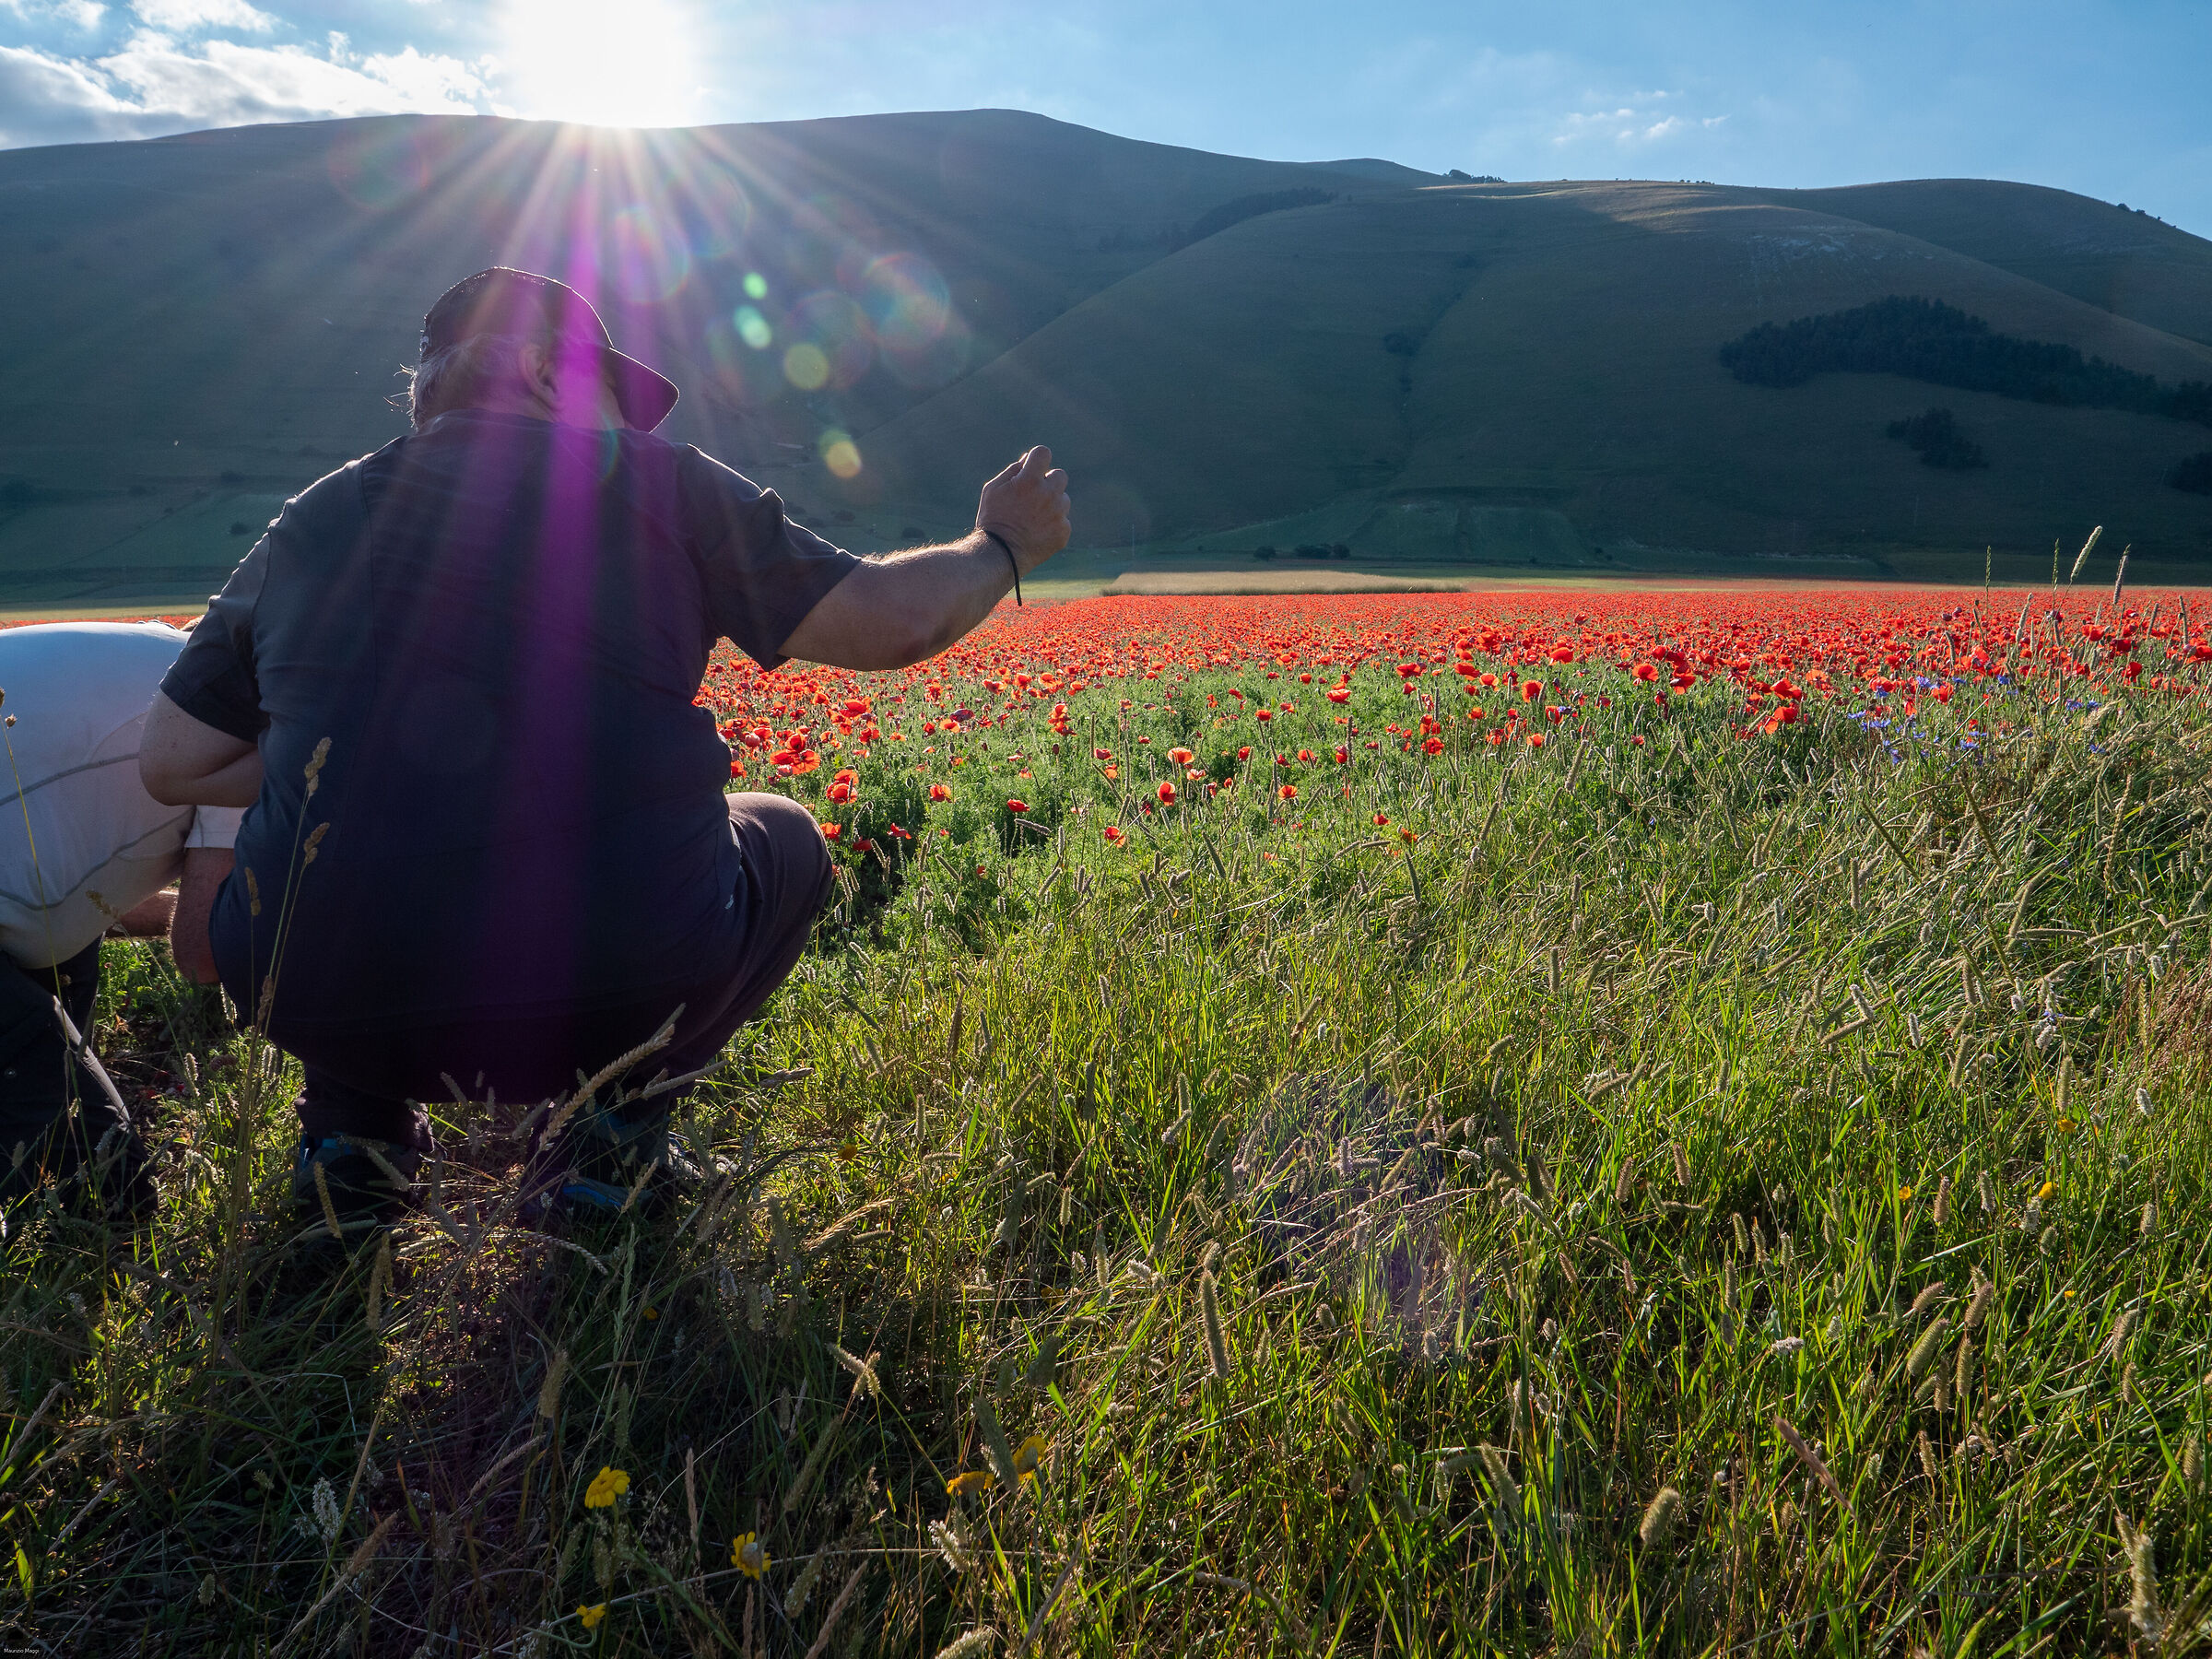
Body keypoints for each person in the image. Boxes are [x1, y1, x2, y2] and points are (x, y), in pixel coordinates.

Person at [139, 267, 1070, 1228]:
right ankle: (604, 1149)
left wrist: (332, 751)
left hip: (309, 995)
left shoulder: (310, 519)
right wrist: (999, 547)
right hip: (605, 998)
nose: (624, 429)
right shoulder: (658, 486)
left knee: (337, 854)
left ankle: (350, 1151)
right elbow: (890, 625)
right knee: (786, 837)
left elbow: (171, 760)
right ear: (545, 370)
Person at [0, 621, 241, 1218]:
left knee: (63, 949)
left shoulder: (173, 660)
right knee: (111, 1194)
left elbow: (77, 884)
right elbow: (202, 953)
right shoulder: (255, 732)